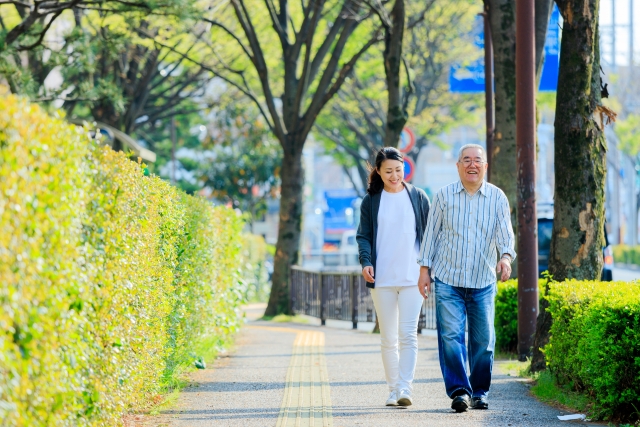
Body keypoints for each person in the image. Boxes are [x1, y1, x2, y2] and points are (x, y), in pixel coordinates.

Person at [417, 144, 515, 413]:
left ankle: (480, 391)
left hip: (483, 281)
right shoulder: (444, 196)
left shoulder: (497, 197)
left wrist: (505, 258)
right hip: (448, 279)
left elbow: (506, 235)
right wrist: (424, 270)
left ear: (485, 167)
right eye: (467, 160)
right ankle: (460, 391)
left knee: (484, 341)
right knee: (451, 337)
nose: (472, 165)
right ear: (458, 165)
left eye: (477, 161)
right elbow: (431, 236)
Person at [356, 147, 431, 407]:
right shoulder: (371, 200)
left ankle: (405, 388)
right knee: (388, 337)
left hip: (414, 277)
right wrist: (366, 262)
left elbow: (429, 237)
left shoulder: (418, 197)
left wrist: (427, 270)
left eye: (398, 170)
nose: (394, 175)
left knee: (408, 334)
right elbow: (363, 236)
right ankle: (392, 389)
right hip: (383, 278)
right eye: (388, 171)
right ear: (378, 171)